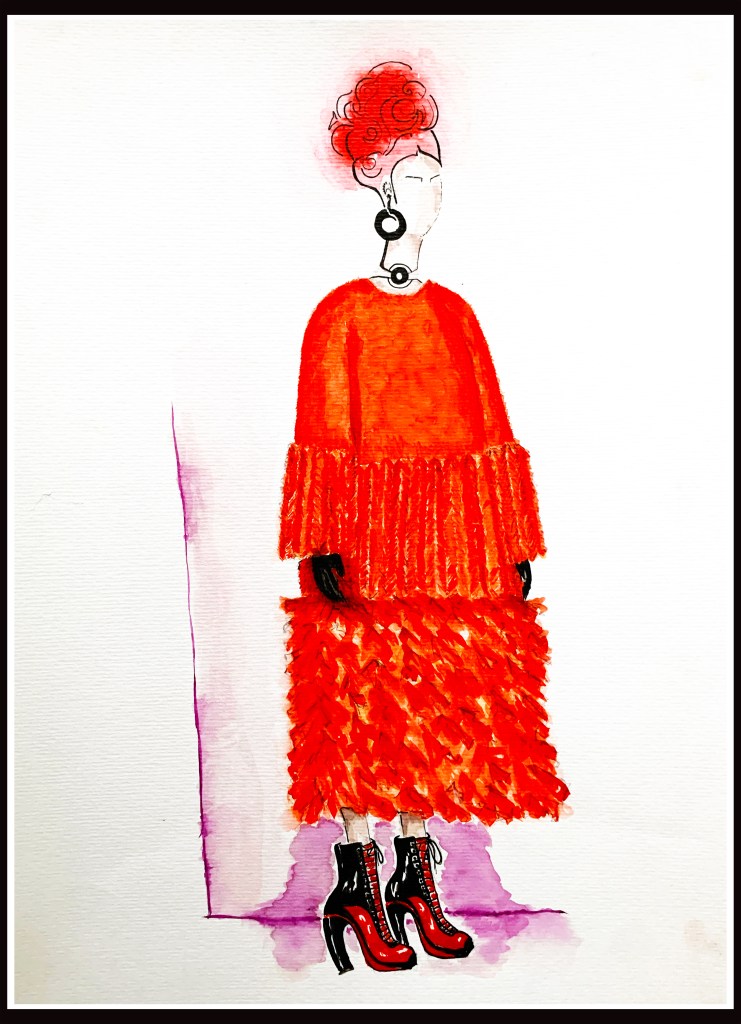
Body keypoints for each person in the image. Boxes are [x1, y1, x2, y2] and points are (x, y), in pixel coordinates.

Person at [278, 61, 569, 974]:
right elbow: (322, 429)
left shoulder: (454, 314)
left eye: (435, 170)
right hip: (365, 544)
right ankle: (356, 878)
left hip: (449, 547)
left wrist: (511, 542)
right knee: (358, 701)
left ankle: (415, 872)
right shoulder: (340, 316)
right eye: (412, 170)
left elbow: (492, 427)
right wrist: (322, 538)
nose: (429, 188)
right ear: (374, 180)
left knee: (430, 703)